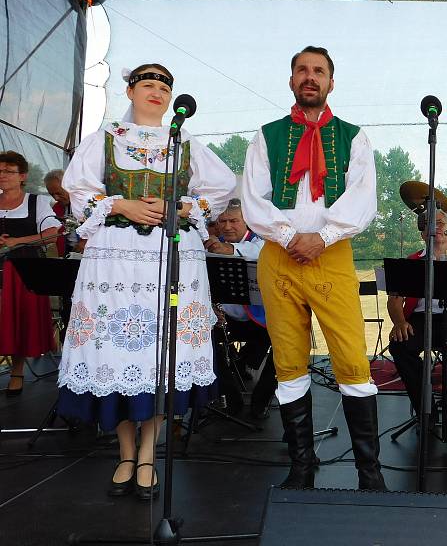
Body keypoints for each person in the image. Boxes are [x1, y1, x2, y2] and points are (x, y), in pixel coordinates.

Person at [57, 64, 236, 499]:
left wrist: (188, 208)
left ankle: (149, 454)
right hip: (114, 264)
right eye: (147, 85)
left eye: (163, 87)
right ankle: (123, 451)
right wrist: (121, 204)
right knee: (113, 352)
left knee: (163, 355)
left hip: (172, 260)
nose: (156, 92)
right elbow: (78, 192)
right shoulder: (106, 137)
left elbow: (222, 187)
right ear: (130, 91)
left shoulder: (185, 142)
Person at [242, 46, 385, 490]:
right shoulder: (266, 136)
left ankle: (370, 473)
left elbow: (362, 199)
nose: (310, 77)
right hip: (278, 257)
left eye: (318, 71)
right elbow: (252, 198)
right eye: (302, 70)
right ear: (291, 80)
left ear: (330, 82)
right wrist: (288, 237)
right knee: (287, 360)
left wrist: (320, 237)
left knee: (351, 358)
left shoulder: (354, 137)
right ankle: (301, 466)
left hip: (333, 255)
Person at [204, 198, 277, 419]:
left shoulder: (262, 243)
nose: (227, 226)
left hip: (261, 319)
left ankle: (261, 400)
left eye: (233, 221)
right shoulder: (209, 247)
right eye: (222, 221)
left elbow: (254, 252)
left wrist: (225, 249)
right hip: (225, 319)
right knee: (204, 339)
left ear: (247, 222)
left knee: (285, 340)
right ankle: (230, 397)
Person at [387, 208, 447, 422]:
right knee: (399, 346)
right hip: (421, 319)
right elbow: (394, 300)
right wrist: (399, 322)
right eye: (430, 224)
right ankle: (424, 409)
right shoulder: (412, 261)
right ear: (422, 233)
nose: (435, 228)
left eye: (440, 223)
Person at [0, 151, 61, 395]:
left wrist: (16, 241)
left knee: (18, 321)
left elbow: (52, 232)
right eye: (0, 171)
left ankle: (17, 372)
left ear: (22, 176)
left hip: (22, 271)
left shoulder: (37, 202)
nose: (2, 176)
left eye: (8, 171)